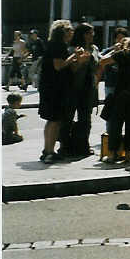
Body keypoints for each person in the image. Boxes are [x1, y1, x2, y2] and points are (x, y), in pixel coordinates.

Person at [97, 36, 130, 163]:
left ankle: (112, 154)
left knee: (115, 125)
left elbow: (102, 61)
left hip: (120, 94)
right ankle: (128, 155)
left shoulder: (122, 54)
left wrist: (114, 50)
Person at [39, 19, 79, 164]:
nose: (72, 33)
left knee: (53, 120)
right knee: (54, 120)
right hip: (54, 88)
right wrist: (73, 57)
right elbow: (58, 65)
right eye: (70, 30)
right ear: (63, 32)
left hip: (53, 87)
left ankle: (47, 150)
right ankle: (49, 151)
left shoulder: (57, 45)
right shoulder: (57, 46)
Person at [59, 22, 100, 157]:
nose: (91, 36)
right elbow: (71, 69)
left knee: (85, 118)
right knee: (68, 118)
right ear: (82, 34)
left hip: (88, 88)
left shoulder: (94, 49)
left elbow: (98, 67)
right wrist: (80, 61)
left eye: (92, 33)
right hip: (72, 87)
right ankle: (65, 146)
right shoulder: (72, 49)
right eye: (88, 33)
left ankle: (83, 146)